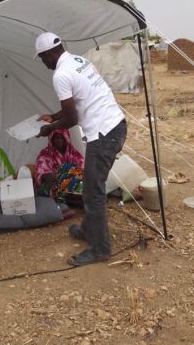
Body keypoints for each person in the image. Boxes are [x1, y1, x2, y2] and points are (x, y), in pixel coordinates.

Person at [35, 32, 127, 267]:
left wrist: (50, 129)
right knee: (91, 186)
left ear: (48, 53)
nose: (43, 64)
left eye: (42, 58)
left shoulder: (60, 75)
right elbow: (77, 102)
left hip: (103, 134)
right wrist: (53, 117)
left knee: (93, 193)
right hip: (116, 125)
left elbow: (72, 118)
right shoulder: (78, 61)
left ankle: (100, 249)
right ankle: (88, 229)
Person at [35, 128, 84, 199]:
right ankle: (65, 196)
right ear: (51, 139)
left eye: (62, 138)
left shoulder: (74, 154)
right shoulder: (45, 154)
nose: (59, 140)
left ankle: (71, 196)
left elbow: (83, 169)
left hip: (70, 187)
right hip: (51, 186)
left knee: (71, 169)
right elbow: (39, 172)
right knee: (66, 168)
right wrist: (46, 176)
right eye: (56, 138)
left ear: (66, 139)